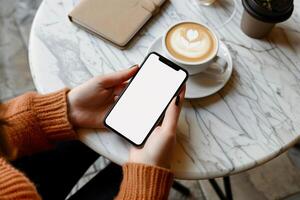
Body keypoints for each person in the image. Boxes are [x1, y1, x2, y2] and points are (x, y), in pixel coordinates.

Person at [0, 65, 186, 200]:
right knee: (122, 163)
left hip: (10, 164)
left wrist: (66, 110)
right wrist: (145, 183)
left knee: (108, 140)